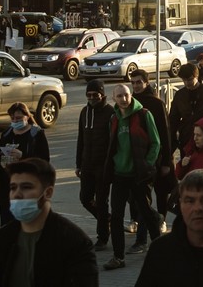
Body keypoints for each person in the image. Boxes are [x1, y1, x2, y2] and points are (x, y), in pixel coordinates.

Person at [0, 158, 98, 287]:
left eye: (26, 187)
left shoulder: (74, 242)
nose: (17, 194)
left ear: (48, 192)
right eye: (13, 188)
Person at [103, 83, 162, 271]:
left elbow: (155, 142)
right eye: (119, 96)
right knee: (117, 216)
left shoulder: (144, 115)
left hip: (139, 174)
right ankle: (118, 257)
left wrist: (147, 164)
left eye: (126, 95)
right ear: (114, 98)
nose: (124, 99)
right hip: (120, 175)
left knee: (145, 211)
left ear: (131, 96)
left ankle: (161, 252)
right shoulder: (113, 119)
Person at [129, 69, 175, 243]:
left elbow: (165, 132)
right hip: (137, 157)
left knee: (161, 190)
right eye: (133, 83)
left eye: (139, 82)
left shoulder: (156, 103)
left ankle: (160, 218)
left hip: (157, 156)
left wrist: (166, 161)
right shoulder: (130, 101)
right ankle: (138, 220)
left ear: (146, 83)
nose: (136, 86)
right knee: (136, 194)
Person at [0, 101, 50, 225]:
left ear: (27, 116)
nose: (15, 120)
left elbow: (44, 160)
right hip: (7, 185)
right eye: (13, 118)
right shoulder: (6, 134)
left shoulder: (36, 134)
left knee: (26, 223)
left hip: (28, 184)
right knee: (6, 225)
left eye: (19, 118)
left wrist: (23, 156)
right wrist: (3, 162)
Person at [75, 79, 114, 250]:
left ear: (102, 94)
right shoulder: (84, 112)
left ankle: (103, 237)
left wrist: (110, 165)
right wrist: (78, 164)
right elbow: (80, 139)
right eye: (88, 95)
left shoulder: (110, 113)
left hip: (103, 166)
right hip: (87, 165)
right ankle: (106, 219)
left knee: (102, 201)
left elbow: (114, 142)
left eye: (95, 95)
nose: (91, 98)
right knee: (85, 198)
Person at [168, 62, 203, 151]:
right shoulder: (180, 95)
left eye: (190, 79)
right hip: (186, 138)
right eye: (184, 80)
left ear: (196, 76)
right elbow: (173, 120)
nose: (187, 83)